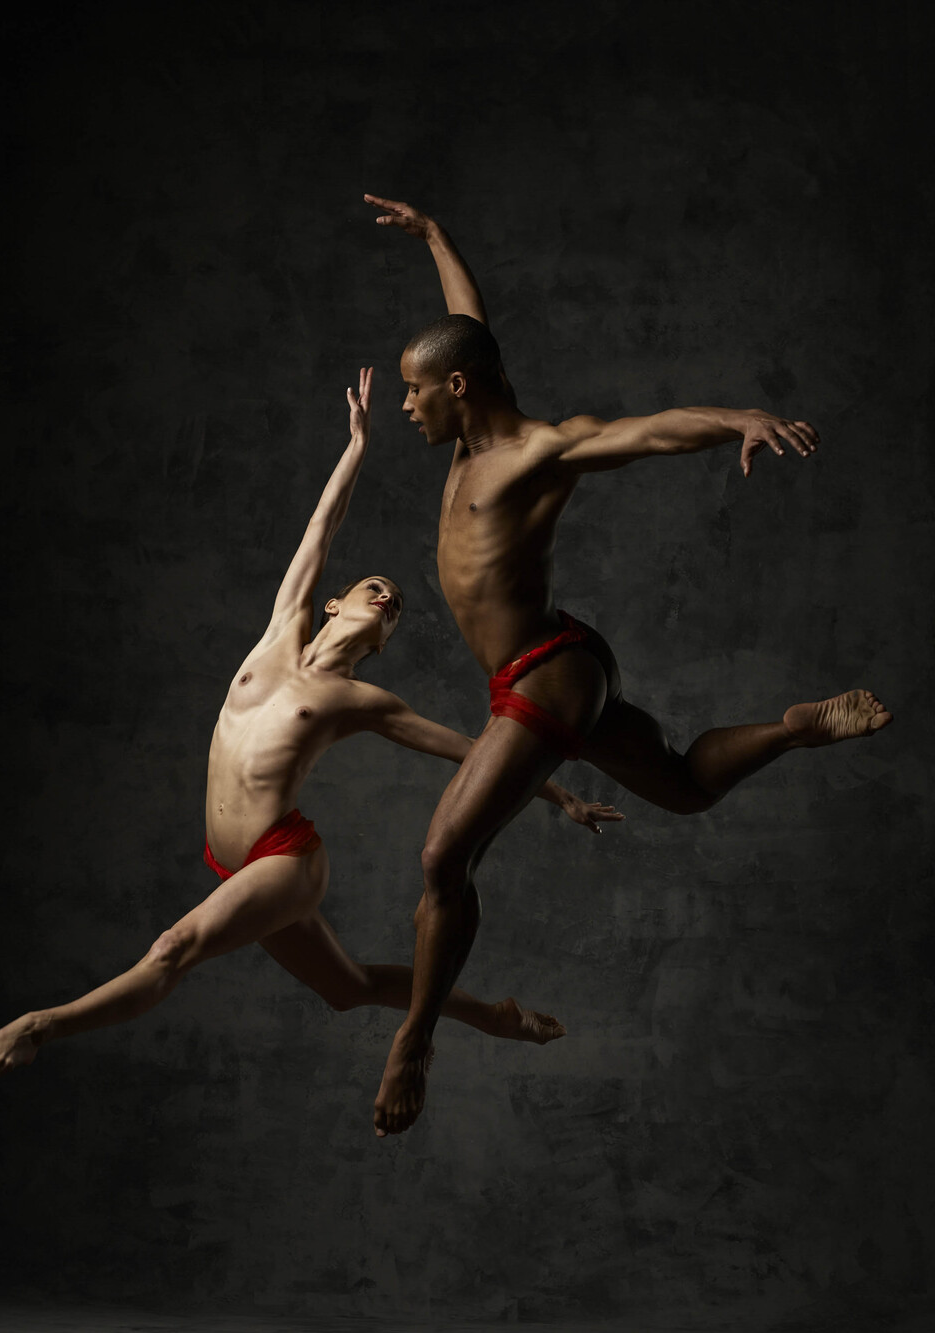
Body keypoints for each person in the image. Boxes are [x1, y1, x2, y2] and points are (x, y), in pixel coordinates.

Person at [364, 194, 894, 1137]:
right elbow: (468, 327)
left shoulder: (536, 451)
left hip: (547, 672)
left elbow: (648, 430)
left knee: (445, 856)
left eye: (415, 390)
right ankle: (791, 729)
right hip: (547, 668)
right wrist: (438, 237)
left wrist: (736, 418)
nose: (406, 404)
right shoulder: (470, 419)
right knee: (684, 786)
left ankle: (415, 1039)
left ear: (458, 389)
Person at [0, 368, 618, 1084]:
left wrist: (558, 794)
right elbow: (321, 528)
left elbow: (470, 749)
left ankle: (38, 1025)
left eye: (396, 608)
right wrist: (357, 447)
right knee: (349, 988)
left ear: (383, 642)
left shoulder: (359, 700)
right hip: (230, 860)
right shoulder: (280, 633)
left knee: (173, 948)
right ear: (333, 604)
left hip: (285, 859)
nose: (387, 599)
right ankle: (494, 1016)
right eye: (375, 589)